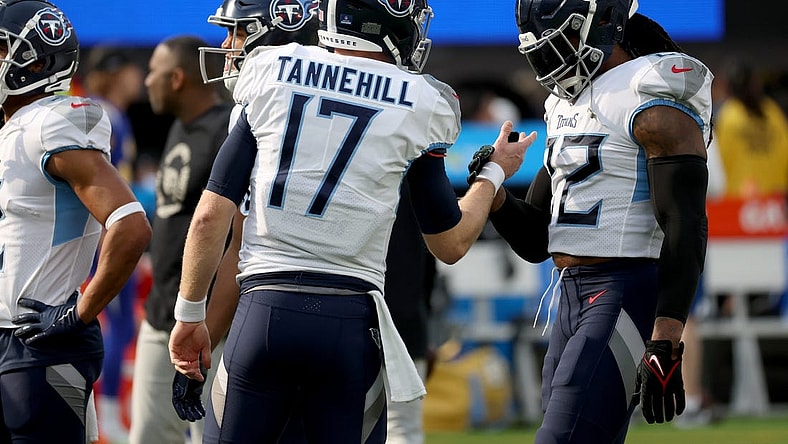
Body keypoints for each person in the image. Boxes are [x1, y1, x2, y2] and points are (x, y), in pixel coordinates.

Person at [168, 0, 536, 442]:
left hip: (265, 311)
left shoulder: (271, 67)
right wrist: (493, 172)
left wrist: (190, 315)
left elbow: (211, 217)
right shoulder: (421, 100)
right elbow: (450, 243)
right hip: (350, 322)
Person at [487, 1, 714, 442]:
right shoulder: (563, 104)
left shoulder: (650, 90)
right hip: (570, 297)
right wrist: (494, 191)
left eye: (562, 41)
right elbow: (538, 238)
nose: (550, 60)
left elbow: (685, 222)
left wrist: (667, 338)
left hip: (624, 289)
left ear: (602, 25)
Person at [0, 1, 151, 442]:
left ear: (35, 58)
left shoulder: (50, 123)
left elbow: (131, 224)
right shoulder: (14, 127)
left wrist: (79, 311)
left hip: (39, 346)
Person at [128, 35, 233, 444]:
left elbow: (231, 235)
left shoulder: (226, 130)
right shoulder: (181, 127)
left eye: (153, 71)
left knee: (214, 436)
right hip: (161, 314)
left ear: (176, 78)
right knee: (149, 436)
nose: (146, 81)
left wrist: (208, 320)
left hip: (207, 322)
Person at [81, 45, 146, 442]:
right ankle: (104, 415)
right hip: (106, 234)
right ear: (116, 73)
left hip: (96, 234)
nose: (139, 78)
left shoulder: (103, 113)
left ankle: (103, 413)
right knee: (115, 322)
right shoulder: (109, 116)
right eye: (132, 70)